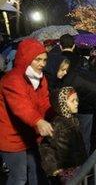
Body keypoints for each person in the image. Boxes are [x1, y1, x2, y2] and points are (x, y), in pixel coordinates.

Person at [0, 38, 54, 184]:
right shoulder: (12, 79)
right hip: (11, 137)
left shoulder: (41, 79)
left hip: (29, 135)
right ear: (26, 58)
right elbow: (21, 106)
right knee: (19, 178)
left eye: (44, 60)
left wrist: (54, 113)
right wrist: (38, 121)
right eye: (37, 59)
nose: (42, 64)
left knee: (37, 172)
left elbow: (45, 102)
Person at [39, 87, 87, 184]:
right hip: (65, 172)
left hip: (77, 167)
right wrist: (53, 169)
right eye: (72, 101)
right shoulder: (58, 124)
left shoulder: (73, 120)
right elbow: (46, 147)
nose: (77, 103)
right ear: (62, 104)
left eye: (77, 100)